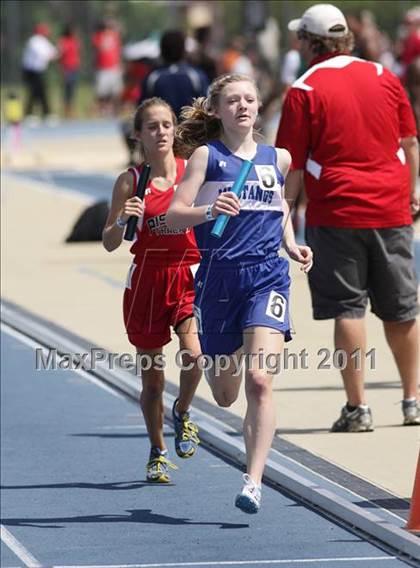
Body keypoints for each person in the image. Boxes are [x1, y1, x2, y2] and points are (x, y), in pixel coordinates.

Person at [166, 74, 313, 513]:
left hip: (268, 277)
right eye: (233, 100)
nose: (243, 106)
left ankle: (253, 480)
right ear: (216, 109)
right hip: (218, 281)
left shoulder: (278, 158)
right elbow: (174, 216)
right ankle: (189, 405)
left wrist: (290, 243)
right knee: (227, 394)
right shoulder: (205, 159)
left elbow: (280, 205)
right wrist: (209, 209)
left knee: (260, 380)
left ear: (259, 107)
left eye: (250, 99)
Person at [275, 4, 420, 432]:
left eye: (300, 39)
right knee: (401, 309)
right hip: (390, 207)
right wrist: (411, 192)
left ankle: (358, 408)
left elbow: (292, 165)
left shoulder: (303, 89)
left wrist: (283, 215)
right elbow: (410, 142)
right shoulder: (383, 76)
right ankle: (413, 400)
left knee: (348, 309)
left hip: (336, 211)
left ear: (309, 42)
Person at [102, 97, 202, 483]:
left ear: (174, 129)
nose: (161, 132)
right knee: (152, 378)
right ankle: (158, 450)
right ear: (138, 135)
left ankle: (183, 410)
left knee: (194, 355)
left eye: (166, 125)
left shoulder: (190, 170)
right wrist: (121, 220)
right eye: (152, 127)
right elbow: (110, 241)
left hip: (186, 275)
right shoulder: (131, 181)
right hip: (147, 280)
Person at [138, 30, 208, 119]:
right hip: (191, 130)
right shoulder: (196, 76)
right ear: (183, 50)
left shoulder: (152, 78)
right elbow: (206, 107)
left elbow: (142, 110)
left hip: (161, 130)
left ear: (162, 50)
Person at [21, 23, 57, 121]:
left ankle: (46, 113)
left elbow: (54, 52)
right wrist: (51, 55)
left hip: (39, 71)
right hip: (31, 71)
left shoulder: (43, 41)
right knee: (34, 91)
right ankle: (29, 114)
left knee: (41, 91)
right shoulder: (34, 41)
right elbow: (45, 54)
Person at [92, 19, 123, 116]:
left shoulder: (115, 35)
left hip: (114, 67)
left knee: (115, 91)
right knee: (102, 91)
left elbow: (118, 51)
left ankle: (113, 109)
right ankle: (104, 109)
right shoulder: (98, 36)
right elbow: (97, 49)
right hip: (102, 67)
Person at [58, 24, 81, 119]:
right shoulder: (63, 41)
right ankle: (66, 111)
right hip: (66, 68)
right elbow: (60, 54)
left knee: (72, 90)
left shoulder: (75, 41)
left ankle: (71, 110)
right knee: (67, 90)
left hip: (74, 68)